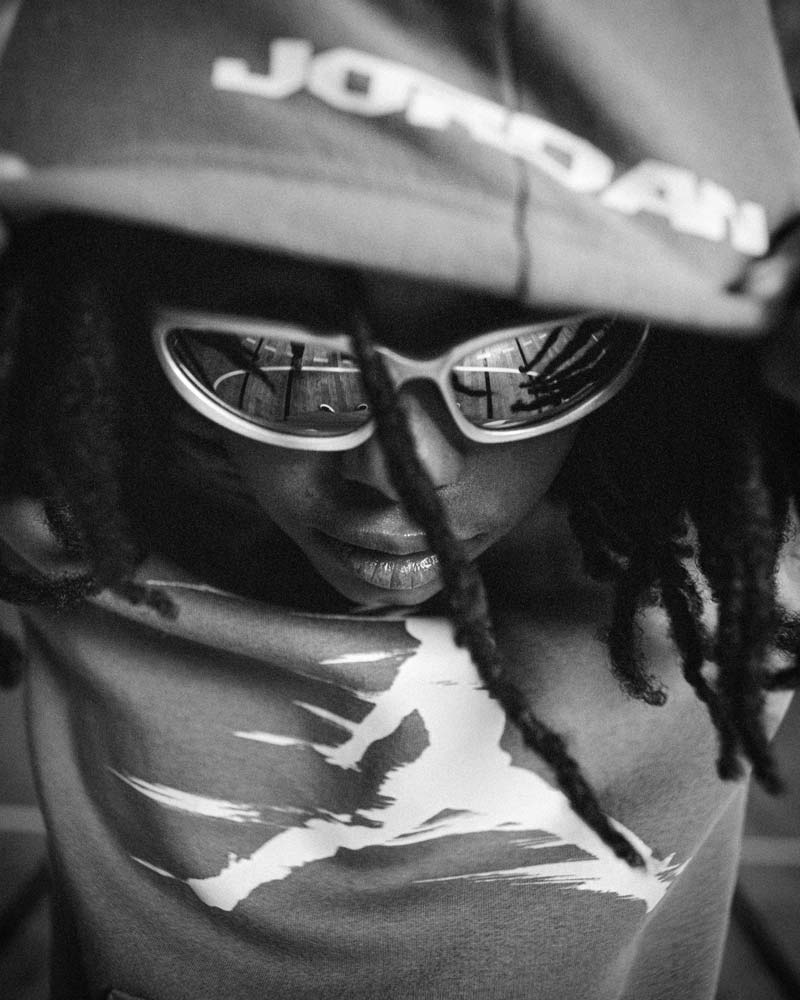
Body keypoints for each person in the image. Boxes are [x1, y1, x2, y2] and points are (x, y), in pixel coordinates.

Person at [0, 1, 799, 998]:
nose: (398, 474)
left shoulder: (735, 544)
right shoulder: (67, 510)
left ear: (667, 356)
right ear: (109, 336)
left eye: (525, 364)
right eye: (284, 362)